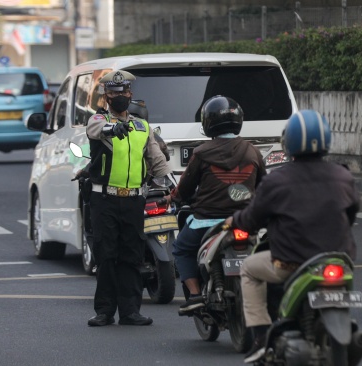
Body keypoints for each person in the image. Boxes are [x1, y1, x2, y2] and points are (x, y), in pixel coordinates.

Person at [224, 109, 360, 363]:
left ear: (289, 143)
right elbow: (351, 215)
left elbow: (252, 219)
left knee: (250, 269)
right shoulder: (344, 176)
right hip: (339, 262)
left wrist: (235, 220)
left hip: (292, 263)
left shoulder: (278, 180)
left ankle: (261, 338)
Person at [85, 70, 171, 327]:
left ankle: (131, 311)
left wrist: (170, 184)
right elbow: (96, 129)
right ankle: (104, 311)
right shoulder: (98, 120)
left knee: (132, 256)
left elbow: (156, 159)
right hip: (105, 200)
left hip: (134, 200)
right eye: (113, 93)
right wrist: (114, 127)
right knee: (106, 255)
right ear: (106, 96)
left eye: (123, 92)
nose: (119, 96)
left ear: (130, 94)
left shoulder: (143, 126)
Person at [166, 95, 267, 315]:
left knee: (181, 249)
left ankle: (194, 295)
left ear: (208, 123)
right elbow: (263, 187)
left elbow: (185, 187)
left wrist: (174, 198)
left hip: (206, 222)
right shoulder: (253, 152)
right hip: (245, 221)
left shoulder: (201, 153)